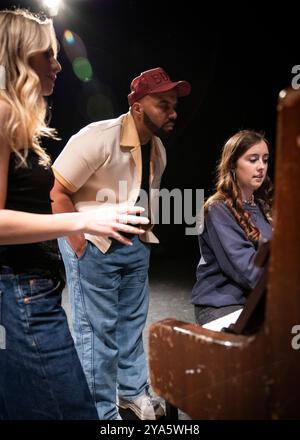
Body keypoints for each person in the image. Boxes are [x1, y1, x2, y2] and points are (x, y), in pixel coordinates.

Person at [0, 9, 149, 420]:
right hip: (21, 292)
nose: (57, 63)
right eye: (47, 53)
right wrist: (84, 222)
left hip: (35, 287)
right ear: (19, 56)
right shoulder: (3, 113)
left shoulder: (18, 119)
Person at [51, 67, 191, 420]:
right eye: (164, 104)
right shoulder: (99, 137)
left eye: (175, 105)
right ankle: (100, 411)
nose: (172, 112)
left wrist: (143, 238)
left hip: (134, 244)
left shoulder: (157, 147)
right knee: (96, 332)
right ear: (138, 106)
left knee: (131, 324)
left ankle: (131, 393)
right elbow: (57, 190)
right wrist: (78, 244)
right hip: (93, 244)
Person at [192, 130, 273, 326]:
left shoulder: (263, 207)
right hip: (223, 305)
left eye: (265, 159)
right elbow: (247, 270)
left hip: (256, 301)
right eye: (253, 160)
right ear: (233, 165)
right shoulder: (217, 209)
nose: (261, 167)